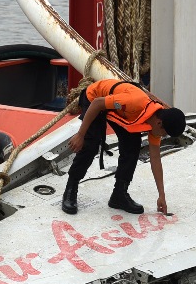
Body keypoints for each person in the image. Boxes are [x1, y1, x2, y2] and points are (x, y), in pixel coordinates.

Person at [63, 79, 186, 216]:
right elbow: (98, 103)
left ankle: (119, 195)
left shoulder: (157, 121)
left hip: (118, 110)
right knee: (91, 145)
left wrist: (161, 195)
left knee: (132, 146)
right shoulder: (133, 102)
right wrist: (81, 134)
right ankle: (70, 188)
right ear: (159, 123)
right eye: (164, 134)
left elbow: (155, 158)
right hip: (95, 99)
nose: (162, 137)